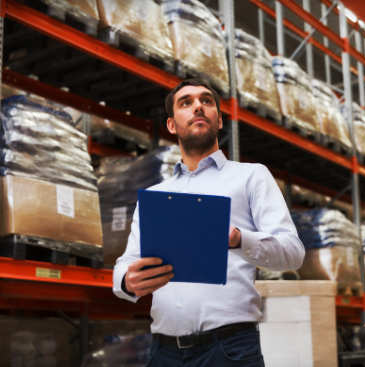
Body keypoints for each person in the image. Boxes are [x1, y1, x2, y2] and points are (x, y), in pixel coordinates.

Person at [113, 78, 305, 367]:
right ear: (172, 125)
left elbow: (293, 252)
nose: (198, 107)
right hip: (164, 353)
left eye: (207, 101)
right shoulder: (155, 196)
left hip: (230, 350)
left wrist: (239, 239)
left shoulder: (251, 177)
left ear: (219, 121)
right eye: (186, 102)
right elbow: (126, 261)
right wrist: (127, 281)